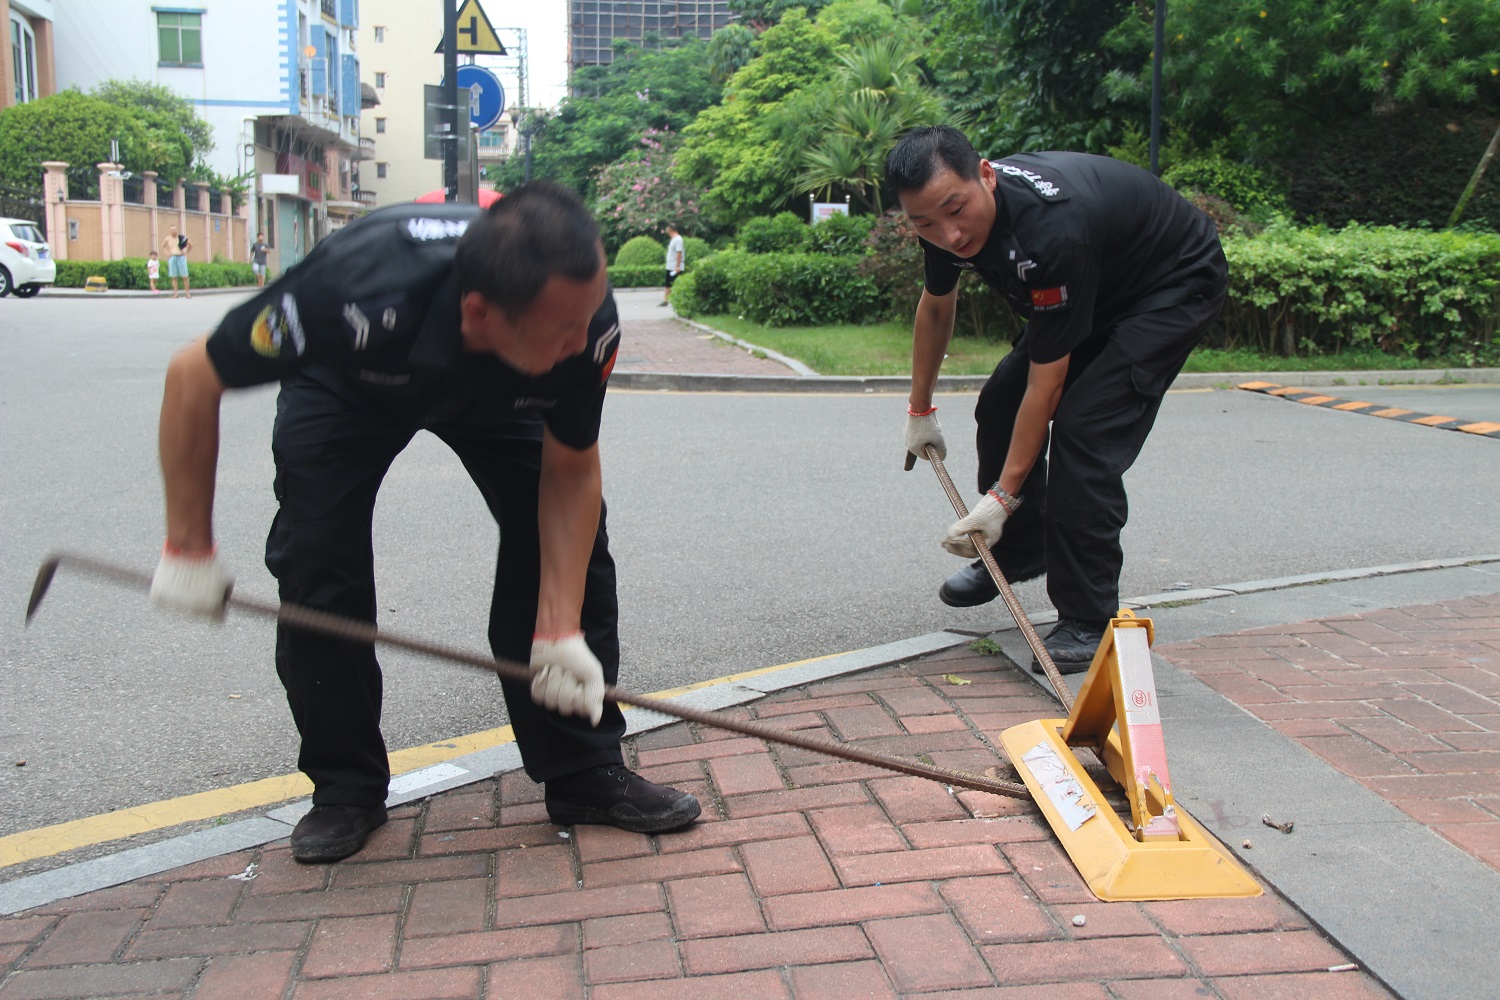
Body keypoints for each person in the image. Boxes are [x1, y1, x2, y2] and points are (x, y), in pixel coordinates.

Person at [150, 183, 701, 863]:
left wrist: (558, 630)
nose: (584, 341)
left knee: (570, 554)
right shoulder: (348, 290)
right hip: (349, 385)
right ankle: (345, 789)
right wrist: (188, 546)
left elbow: (571, 472)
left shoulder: (581, 322)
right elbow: (193, 374)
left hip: (508, 388)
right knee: (317, 560)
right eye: (565, 330)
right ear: (480, 312)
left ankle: (584, 769)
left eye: (587, 320)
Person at [889, 126, 1227, 673]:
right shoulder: (941, 220)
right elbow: (936, 305)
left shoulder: (1051, 230)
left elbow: (1046, 387)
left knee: (1085, 430)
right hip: (1095, 285)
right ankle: (1021, 549)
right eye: (925, 223)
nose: (949, 234)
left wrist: (1001, 498)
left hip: (1169, 284)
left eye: (956, 211)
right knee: (1000, 403)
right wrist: (919, 410)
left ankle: (1089, 619)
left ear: (986, 175)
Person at [162, 226, 191, 298]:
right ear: (170, 231)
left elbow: (191, 244)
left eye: (174, 229)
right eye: (172, 230)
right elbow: (163, 246)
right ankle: (176, 293)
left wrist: (186, 252)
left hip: (181, 257)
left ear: (177, 230)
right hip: (173, 257)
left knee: (185, 276)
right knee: (174, 277)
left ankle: (187, 293)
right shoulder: (168, 239)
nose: (173, 231)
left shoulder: (182, 238)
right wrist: (167, 253)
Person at [660, 223, 685, 307]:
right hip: (670, 266)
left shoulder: (678, 239)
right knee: (668, 284)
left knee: (677, 284)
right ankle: (665, 300)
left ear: (670, 229)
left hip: (675, 267)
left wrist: (677, 266)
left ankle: (680, 300)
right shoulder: (673, 239)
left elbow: (679, 253)